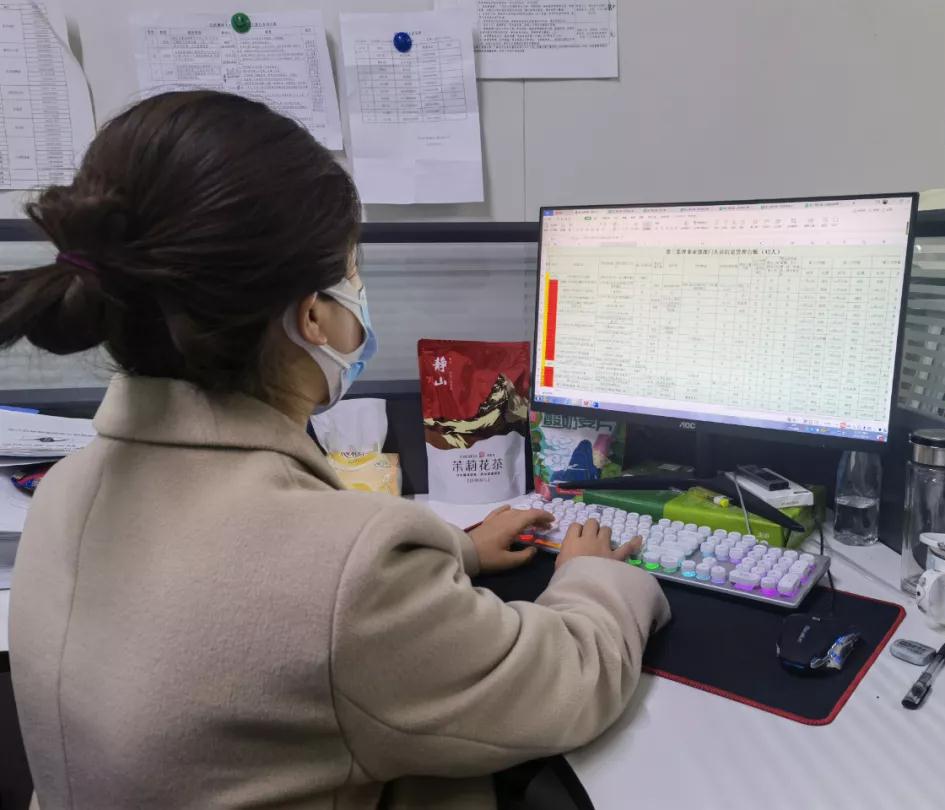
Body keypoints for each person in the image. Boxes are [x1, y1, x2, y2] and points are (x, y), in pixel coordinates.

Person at [0, 91, 669, 810]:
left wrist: (457, 549)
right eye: (353, 270)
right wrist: (589, 578)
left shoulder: (67, 488)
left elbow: (264, 588)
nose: (359, 293)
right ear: (313, 316)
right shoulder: (339, 573)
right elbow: (566, 684)